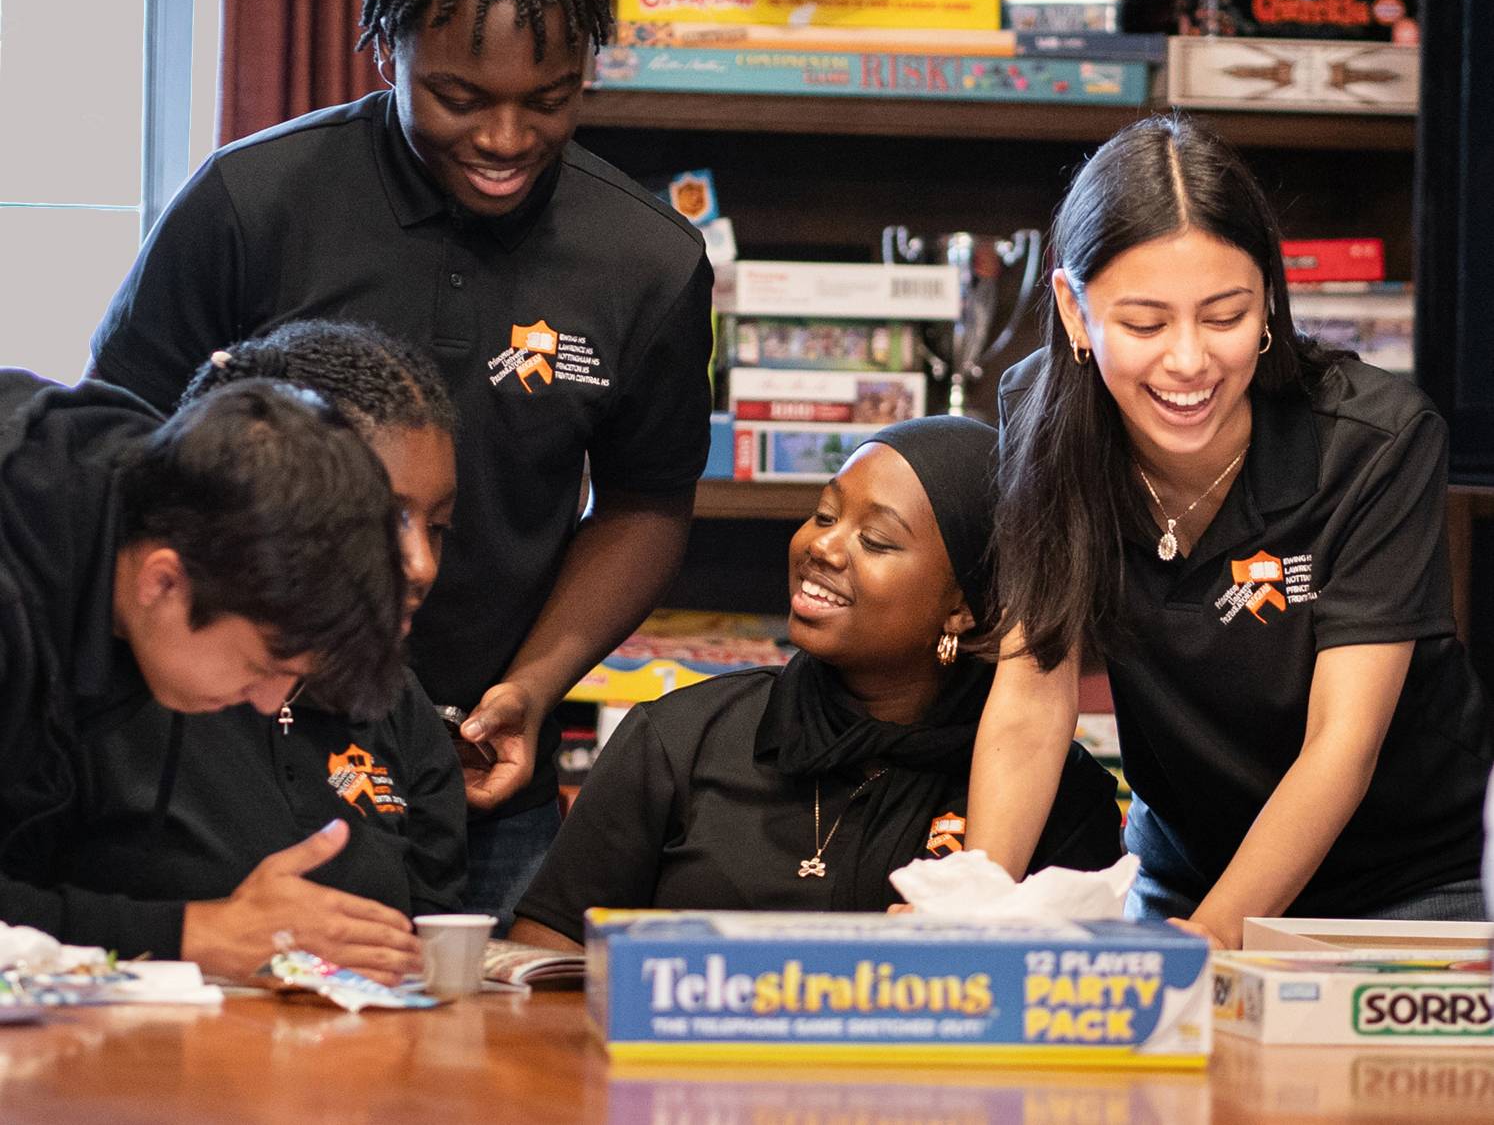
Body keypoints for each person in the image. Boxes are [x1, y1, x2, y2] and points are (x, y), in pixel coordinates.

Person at [89, 0, 715, 927]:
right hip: (227, 738)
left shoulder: (649, 261)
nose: (506, 139)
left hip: (476, 758)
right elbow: (117, 449)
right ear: (391, 48)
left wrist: (535, 684)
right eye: (459, 98)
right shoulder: (252, 203)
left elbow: (650, 502)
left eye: (549, 99)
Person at [968, 113, 1494, 948]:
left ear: (1270, 302)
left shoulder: (1376, 441)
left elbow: (1340, 747)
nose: (1188, 362)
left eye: (1225, 316)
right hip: (1182, 870)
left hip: (1405, 886)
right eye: (1144, 324)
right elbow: (1035, 695)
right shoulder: (1042, 416)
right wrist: (972, 911)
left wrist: (1200, 947)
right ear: (1073, 309)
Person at [509, 417, 1122, 950]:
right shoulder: (681, 740)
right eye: (824, 514)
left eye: (876, 540)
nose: (822, 546)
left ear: (961, 608)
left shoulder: (1053, 797)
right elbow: (544, 957)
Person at [57, 321, 468, 982]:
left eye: (439, 527)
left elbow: (430, 945)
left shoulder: (398, 703)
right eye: (379, 521)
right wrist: (197, 934)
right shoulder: (68, 658)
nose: (418, 564)